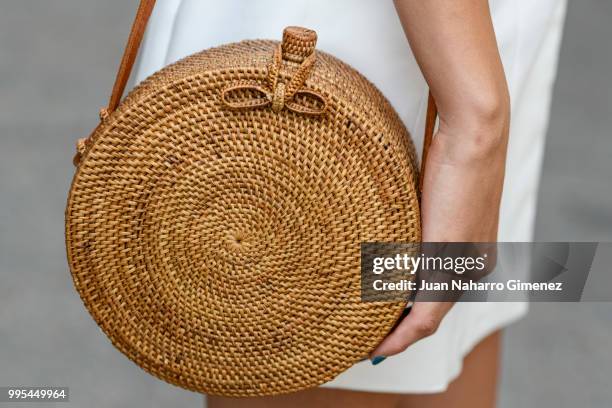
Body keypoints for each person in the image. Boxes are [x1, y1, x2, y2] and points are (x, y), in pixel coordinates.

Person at [132, 0, 568, 406]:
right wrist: (476, 120)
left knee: (449, 333)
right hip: (382, 44)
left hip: (470, 48)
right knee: (314, 340)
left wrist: (482, 124)